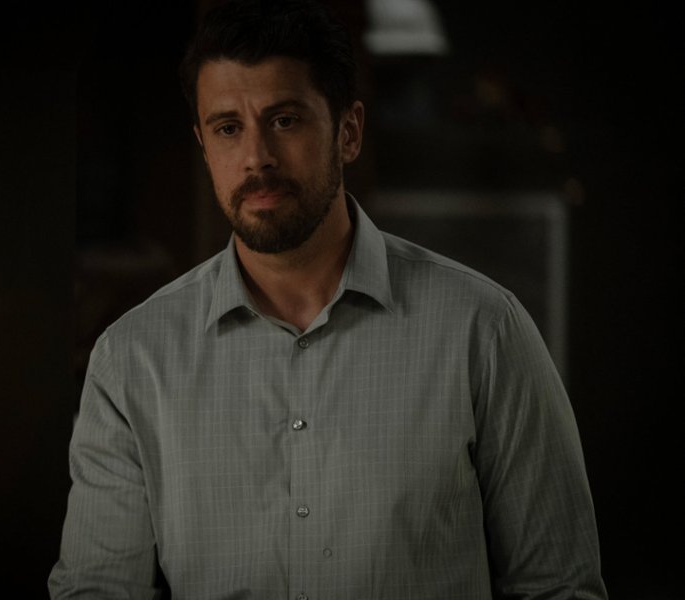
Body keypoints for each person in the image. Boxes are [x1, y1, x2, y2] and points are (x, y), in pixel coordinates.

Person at [49, 1, 607, 598]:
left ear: (348, 132)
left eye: (285, 119)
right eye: (228, 128)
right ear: (204, 147)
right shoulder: (132, 360)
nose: (257, 156)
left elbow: (559, 587)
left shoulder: (484, 330)